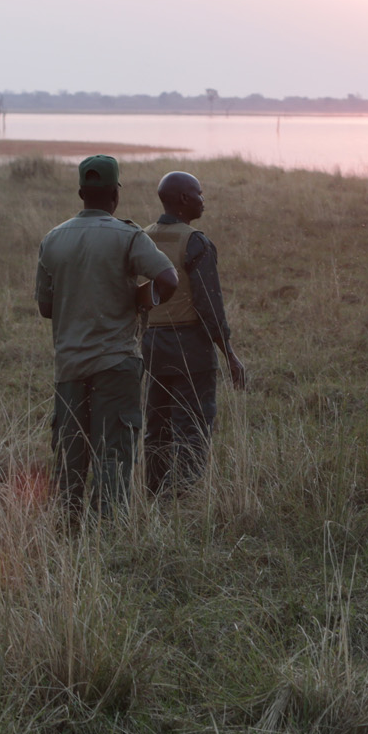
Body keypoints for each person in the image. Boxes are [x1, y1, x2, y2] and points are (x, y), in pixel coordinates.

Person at [36, 155, 177, 520]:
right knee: (113, 451)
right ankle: (109, 533)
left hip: (69, 363)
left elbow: (45, 307)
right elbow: (168, 280)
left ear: (81, 192)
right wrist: (138, 300)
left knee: (70, 452)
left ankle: (69, 527)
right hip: (116, 361)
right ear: (115, 193)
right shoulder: (129, 235)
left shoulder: (52, 239)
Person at [142, 171, 249, 496]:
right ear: (185, 200)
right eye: (199, 194)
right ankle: (184, 495)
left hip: (151, 346)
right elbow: (209, 306)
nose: (204, 199)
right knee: (192, 424)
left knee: (156, 426)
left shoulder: (143, 238)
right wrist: (228, 353)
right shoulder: (195, 241)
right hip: (190, 348)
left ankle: (154, 493)